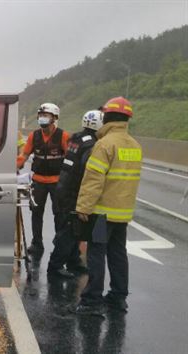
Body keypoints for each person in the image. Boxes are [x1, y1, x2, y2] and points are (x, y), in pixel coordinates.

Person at [73, 97, 142, 315]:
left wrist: (83, 207)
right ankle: (118, 298)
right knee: (118, 254)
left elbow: (94, 180)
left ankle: (92, 300)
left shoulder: (104, 144)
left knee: (96, 255)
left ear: (107, 117)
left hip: (102, 214)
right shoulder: (134, 145)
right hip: (122, 214)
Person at [47, 110, 103, 278]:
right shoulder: (92, 145)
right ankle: (55, 265)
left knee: (75, 229)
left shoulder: (76, 138)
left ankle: (74, 261)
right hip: (73, 191)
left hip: (63, 187)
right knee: (70, 231)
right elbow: (88, 171)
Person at [17, 103, 70, 255]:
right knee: (36, 213)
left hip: (57, 182)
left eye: (46, 115)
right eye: (40, 115)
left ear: (54, 118)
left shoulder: (63, 136)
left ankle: (60, 244)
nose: (42, 118)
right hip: (38, 181)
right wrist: (14, 166)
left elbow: (70, 159)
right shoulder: (34, 136)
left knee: (59, 214)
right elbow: (24, 155)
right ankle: (37, 244)